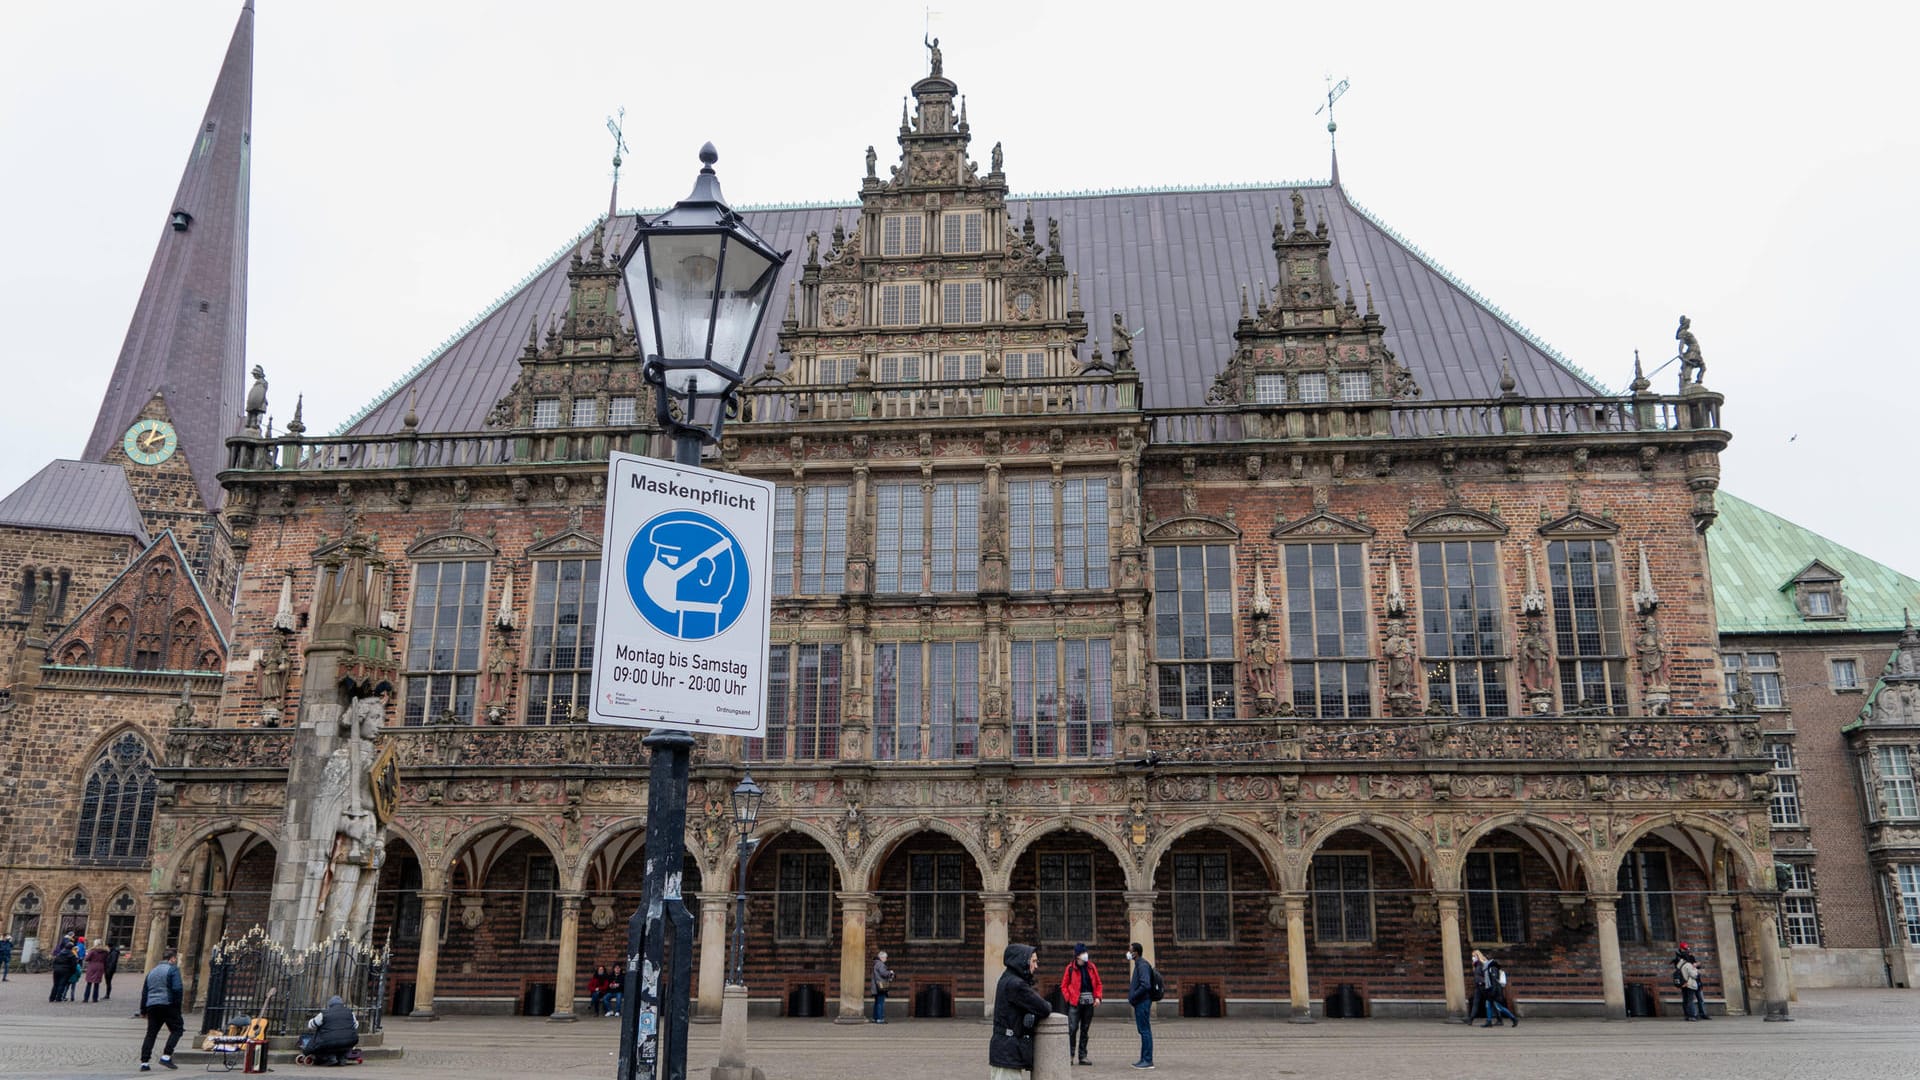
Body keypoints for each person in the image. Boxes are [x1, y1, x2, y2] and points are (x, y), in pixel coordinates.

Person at [989, 944, 1051, 1080]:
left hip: (1004, 1050)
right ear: (1022, 961)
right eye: (1033, 961)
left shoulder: (1007, 979)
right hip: (1007, 1052)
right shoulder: (1016, 984)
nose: (1036, 966)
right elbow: (1044, 1008)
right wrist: (1035, 1012)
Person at [139, 946, 185, 1071]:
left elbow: (145, 991)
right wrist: (177, 1006)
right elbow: (177, 989)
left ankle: (144, 1062)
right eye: (176, 959)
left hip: (152, 1005)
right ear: (172, 959)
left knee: (151, 1033)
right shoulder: (173, 970)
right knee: (178, 1029)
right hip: (167, 1004)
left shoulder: (152, 971)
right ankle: (166, 1055)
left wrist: (143, 1010)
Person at [1058, 943, 1103, 1065]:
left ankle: (1082, 1056)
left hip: (1089, 1004)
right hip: (1075, 1003)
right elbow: (1064, 985)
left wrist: (1098, 997)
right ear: (1077, 956)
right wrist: (1069, 998)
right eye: (1083, 953)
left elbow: (1098, 983)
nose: (1085, 955)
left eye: (1085, 952)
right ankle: (1070, 1055)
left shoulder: (1091, 967)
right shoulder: (1070, 968)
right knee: (1072, 1029)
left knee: (1085, 1029)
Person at [302, 995, 360, 1066]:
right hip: (350, 1041)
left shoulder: (324, 1014)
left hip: (329, 1042)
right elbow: (356, 1025)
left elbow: (311, 1025)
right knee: (343, 1044)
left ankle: (330, 1058)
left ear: (330, 1004)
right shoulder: (350, 1013)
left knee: (322, 1046)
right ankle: (341, 1058)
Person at [1125, 942, 1154, 1070]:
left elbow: (1145, 984)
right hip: (1141, 1002)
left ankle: (1147, 1060)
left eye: (1130, 950)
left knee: (1145, 1031)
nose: (1128, 953)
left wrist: (1134, 996)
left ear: (1135, 952)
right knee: (1143, 1031)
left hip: (1142, 1002)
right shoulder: (1140, 964)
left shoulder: (1142, 965)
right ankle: (1144, 1059)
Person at [1480, 957, 1517, 1027]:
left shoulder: (1492, 969)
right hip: (1490, 990)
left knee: (1499, 1007)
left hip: (1493, 991)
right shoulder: (1488, 970)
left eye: (1484, 960)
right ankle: (1489, 1021)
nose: (1483, 962)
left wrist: (1493, 992)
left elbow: (1495, 982)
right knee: (1488, 1005)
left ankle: (1513, 1018)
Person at [1674, 943, 1707, 1021]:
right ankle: (1691, 1015)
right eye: (1686, 949)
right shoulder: (1680, 960)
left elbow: (1696, 966)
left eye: (1687, 949)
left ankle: (1693, 1015)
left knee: (1694, 999)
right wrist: (1695, 968)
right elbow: (1692, 973)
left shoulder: (1689, 958)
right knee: (1689, 1000)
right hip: (1689, 982)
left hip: (1692, 982)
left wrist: (1695, 965)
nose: (1687, 951)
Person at [50, 936, 78, 1003]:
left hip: (57, 970)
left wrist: (55, 968)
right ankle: (58, 998)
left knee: (55, 984)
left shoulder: (60, 954)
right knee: (62, 984)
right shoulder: (72, 955)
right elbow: (74, 965)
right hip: (66, 971)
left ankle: (52, 998)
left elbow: (54, 962)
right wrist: (72, 972)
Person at [871, 950, 894, 1024]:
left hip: (876, 986)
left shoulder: (876, 964)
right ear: (882, 957)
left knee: (877, 1002)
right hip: (881, 986)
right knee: (880, 1002)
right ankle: (880, 1018)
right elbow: (883, 973)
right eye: (885, 957)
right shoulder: (880, 964)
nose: (886, 959)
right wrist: (890, 972)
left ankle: (875, 1018)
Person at [1465, 949, 1488, 1024]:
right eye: (1472, 956)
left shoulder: (1482, 963)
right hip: (1478, 985)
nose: (1473, 957)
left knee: (1491, 1002)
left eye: (1474, 956)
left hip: (1483, 985)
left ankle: (1500, 1018)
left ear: (1478, 956)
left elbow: (1486, 975)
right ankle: (1471, 1019)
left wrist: (1483, 981)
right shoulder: (1476, 965)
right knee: (1476, 1002)